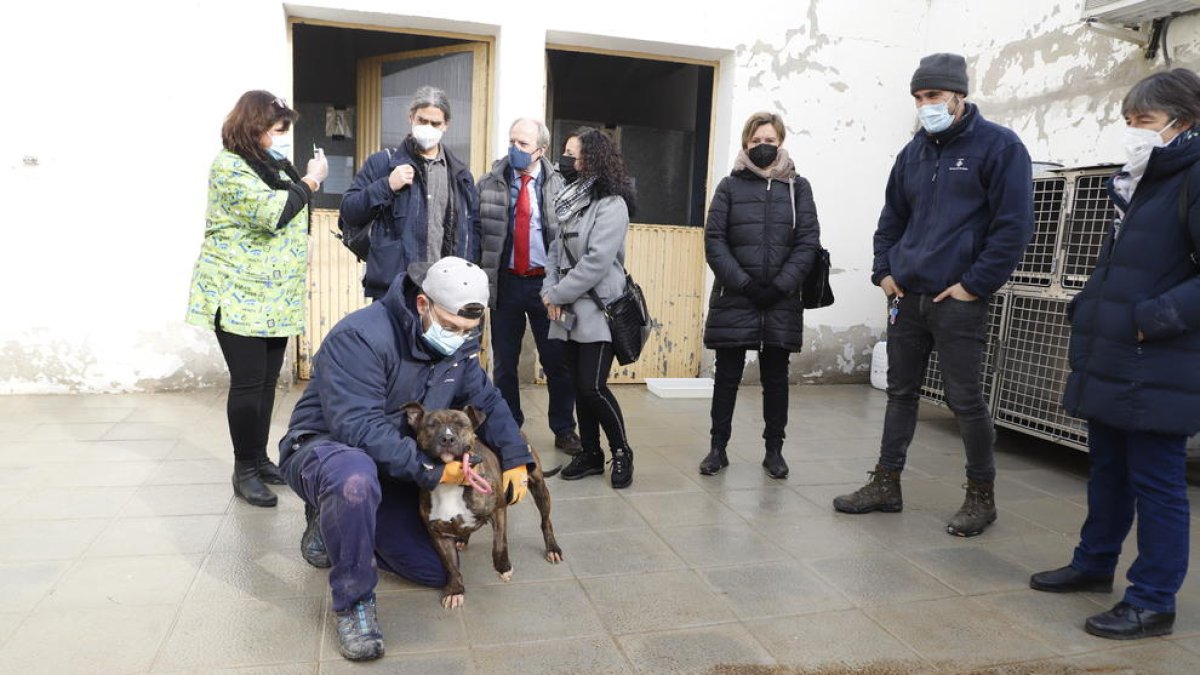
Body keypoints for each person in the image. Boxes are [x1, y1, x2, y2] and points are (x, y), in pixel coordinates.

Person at [277, 257, 533, 661]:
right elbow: (357, 427)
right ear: (422, 305)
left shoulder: (458, 347)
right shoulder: (361, 337)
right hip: (328, 449)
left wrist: (517, 460)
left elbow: (488, 402)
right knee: (353, 478)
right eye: (451, 327)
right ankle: (353, 601)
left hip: (398, 463)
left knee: (434, 571)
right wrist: (434, 469)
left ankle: (340, 525)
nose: (460, 337)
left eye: (469, 331)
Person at [832, 53, 1034, 537]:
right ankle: (886, 483)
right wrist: (884, 273)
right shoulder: (913, 154)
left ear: (959, 96)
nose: (926, 106)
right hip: (907, 296)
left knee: (965, 400)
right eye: (919, 98)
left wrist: (973, 285)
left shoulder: (1000, 148)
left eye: (934, 96)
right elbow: (890, 222)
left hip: (957, 299)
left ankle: (980, 497)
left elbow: (1013, 228)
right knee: (900, 394)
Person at [1030, 69, 1200, 640]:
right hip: (1117, 352)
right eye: (1129, 121)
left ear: (1186, 121)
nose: (1135, 132)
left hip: (1159, 357)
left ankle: (1153, 601)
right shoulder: (1143, 179)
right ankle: (1094, 563)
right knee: (1106, 469)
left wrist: (1152, 320)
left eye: (1145, 121)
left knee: (1157, 481)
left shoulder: (1194, 176)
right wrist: (1090, 305)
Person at [185, 90, 328, 508]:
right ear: (256, 126)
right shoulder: (229, 167)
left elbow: (293, 203)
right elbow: (273, 213)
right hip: (238, 293)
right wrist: (312, 179)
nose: (283, 137)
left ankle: (259, 458)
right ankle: (243, 469)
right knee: (248, 384)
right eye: (278, 129)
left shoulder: (270, 164)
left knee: (267, 383)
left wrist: (303, 181)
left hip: (274, 295)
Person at [699, 112, 820, 480]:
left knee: (776, 379)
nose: (763, 146)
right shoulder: (729, 187)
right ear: (745, 144)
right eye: (756, 141)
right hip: (736, 297)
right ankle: (718, 448)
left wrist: (781, 286)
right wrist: (747, 285)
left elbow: (808, 242)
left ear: (780, 142)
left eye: (769, 140)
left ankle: (774, 450)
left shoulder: (798, 188)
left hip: (781, 299)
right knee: (727, 377)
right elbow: (714, 241)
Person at [477, 118, 581, 454]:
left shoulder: (560, 185)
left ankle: (564, 429)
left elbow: (570, 241)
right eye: (512, 141)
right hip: (505, 284)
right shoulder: (491, 183)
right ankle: (510, 429)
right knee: (505, 363)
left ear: (541, 149)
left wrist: (564, 287)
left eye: (523, 144)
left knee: (557, 361)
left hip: (545, 285)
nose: (514, 149)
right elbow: (480, 236)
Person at [542, 128, 638, 488]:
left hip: (599, 310)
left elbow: (597, 262)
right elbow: (555, 253)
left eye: (573, 154)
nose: (565, 160)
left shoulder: (611, 205)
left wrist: (558, 295)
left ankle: (622, 451)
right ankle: (591, 454)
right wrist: (549, 291)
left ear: (592, 159)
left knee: (592, 386)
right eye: (564, 152)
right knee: (578, 387)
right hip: (568, 308)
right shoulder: (570, 201)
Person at [339, 86, 481, 299]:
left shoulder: (459, 174)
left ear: (446, 125)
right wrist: (387, 185)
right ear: (411, 118)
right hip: (394, 288)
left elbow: (473, 229)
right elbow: (349, 211)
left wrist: (466, 273)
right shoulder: (383, 164)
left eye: (435, 123)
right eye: (422, 120)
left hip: (442, 290)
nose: (428, 128)